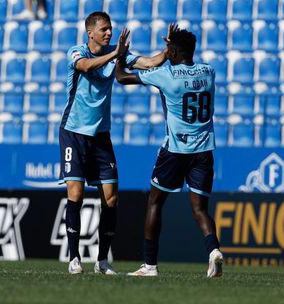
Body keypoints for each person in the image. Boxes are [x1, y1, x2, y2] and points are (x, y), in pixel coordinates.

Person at [60, 12, 175, 275]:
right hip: (74, 132)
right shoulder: (76, 52)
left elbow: (149, 63)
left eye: (110, 29)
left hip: (101, 135)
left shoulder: (116, 51)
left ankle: (102, 261)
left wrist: (167, 51)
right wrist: (116, 54)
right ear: (90, 33)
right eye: (104, 29)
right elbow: (87, 67)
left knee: (111, 198)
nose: (109, 33)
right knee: (75, 193)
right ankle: (74, 257)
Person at [115, 27, 223, 277]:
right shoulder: (209, 72)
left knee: (155, 202)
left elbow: (122, 77)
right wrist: (172, 47)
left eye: (170, 49)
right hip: (204, 150)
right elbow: (184, 62)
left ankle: (150, 265)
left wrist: (121, 55)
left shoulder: (166, 74)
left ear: (173, 51)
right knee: (200, 209)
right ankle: (213, 250)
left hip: (176, 150)